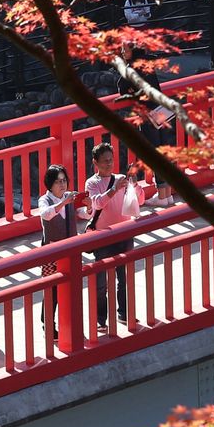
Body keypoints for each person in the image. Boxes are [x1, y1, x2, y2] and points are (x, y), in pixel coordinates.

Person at [85, 142, 145, 333]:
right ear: (95, 162)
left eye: (111, 160)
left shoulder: (120, 179)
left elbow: (140, 200)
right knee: (101, 282)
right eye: (104, 161)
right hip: (103, 236)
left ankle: (124, 312)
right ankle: (100, 318)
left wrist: (134, 184)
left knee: (124, 278)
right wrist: (114, 190)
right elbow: (97, 203)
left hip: (124, 232)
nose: (109, 164)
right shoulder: (92, 183)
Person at [115, 42, 174, 207]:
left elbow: (121, 87)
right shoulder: (147, 62)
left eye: (124, 49)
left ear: (133, 50)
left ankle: (162, 196)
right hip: (161, 109)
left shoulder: (131, 68)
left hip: (149, 114)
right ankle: (167, 194)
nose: (122, 52)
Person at [37, 164, 86, 330]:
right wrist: (64, 202)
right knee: (52, 290)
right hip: (52, 250)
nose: (62, 184)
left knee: (71, 288)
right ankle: (48, 324)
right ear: (50, 184)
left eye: (64, 180)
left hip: (70, 249)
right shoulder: (45, 200)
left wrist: (90, 207)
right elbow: (46, 214)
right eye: (58, 181)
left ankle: (70, 324)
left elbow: (81, 214)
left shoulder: (68, 197)